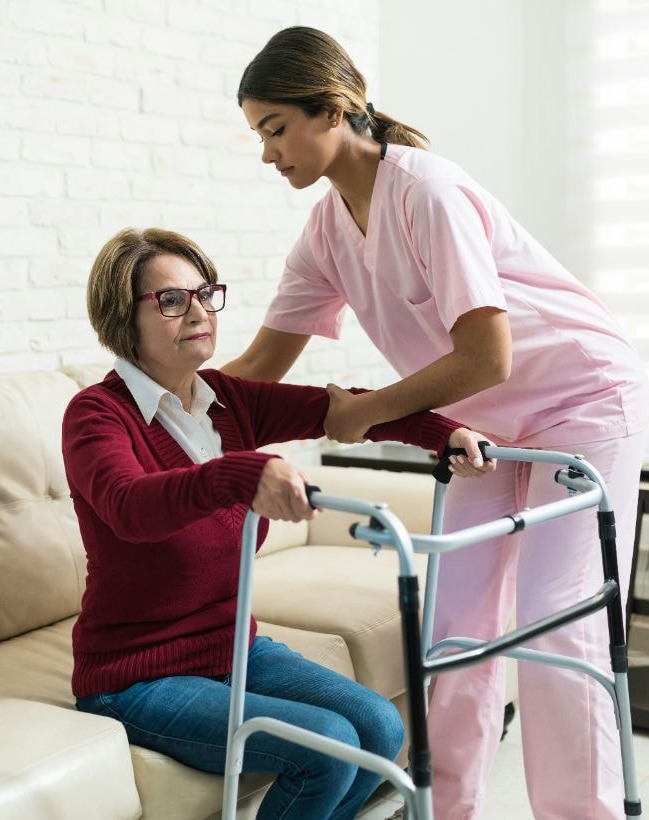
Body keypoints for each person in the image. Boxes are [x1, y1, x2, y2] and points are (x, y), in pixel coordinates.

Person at [225, 27, 649, 820]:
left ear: (334, 109)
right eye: (259, 135)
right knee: (453, 629)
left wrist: (367, 412)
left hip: (582, 401)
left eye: (275, 129)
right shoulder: (325, 231)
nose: (267, 154)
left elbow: (487, 356)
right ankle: (443, 811)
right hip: (489, 432)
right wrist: (145, 397)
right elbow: (260, 365)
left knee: (557, 626)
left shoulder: (428, 191)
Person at [63, 226, 495, 820]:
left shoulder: (225, 399)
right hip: (134, 678)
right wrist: (242, 473)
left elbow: (341, 410)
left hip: (231, 647)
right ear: (121, 315)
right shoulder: (96, 414)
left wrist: (441, 432)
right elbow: (130, 507)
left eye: (205, 293)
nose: (197, 311)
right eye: (170, 299)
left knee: (377, 725)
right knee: (328, 749)